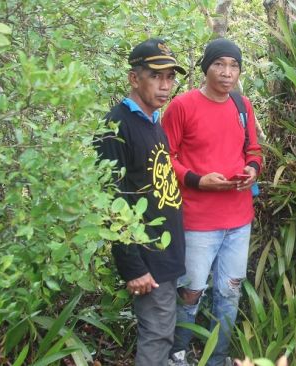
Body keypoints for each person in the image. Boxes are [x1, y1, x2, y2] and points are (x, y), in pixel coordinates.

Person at [162, 38, 263, 366]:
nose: (227, 72)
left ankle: (215, 358)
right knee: (191, 291)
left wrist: (252, 169)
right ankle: (177, 353)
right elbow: (163, 158)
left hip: (239, 218)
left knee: (229, 292)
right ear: (206, 67)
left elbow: (254, 150)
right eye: (219, 64)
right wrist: (196, 179)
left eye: (234, 66)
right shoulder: (182, 106)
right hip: (197, 220)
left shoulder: (241, 105)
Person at [95, 38, 187, 365]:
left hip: (165, 253)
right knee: (157, 334)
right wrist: (132, 266)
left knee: (164, 333)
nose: (165, 86)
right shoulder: (116, 126)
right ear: (135, 79)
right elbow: (109, 198)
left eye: (170, 78)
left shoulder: (151, 121)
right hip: (147, 259)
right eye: (156, 76)